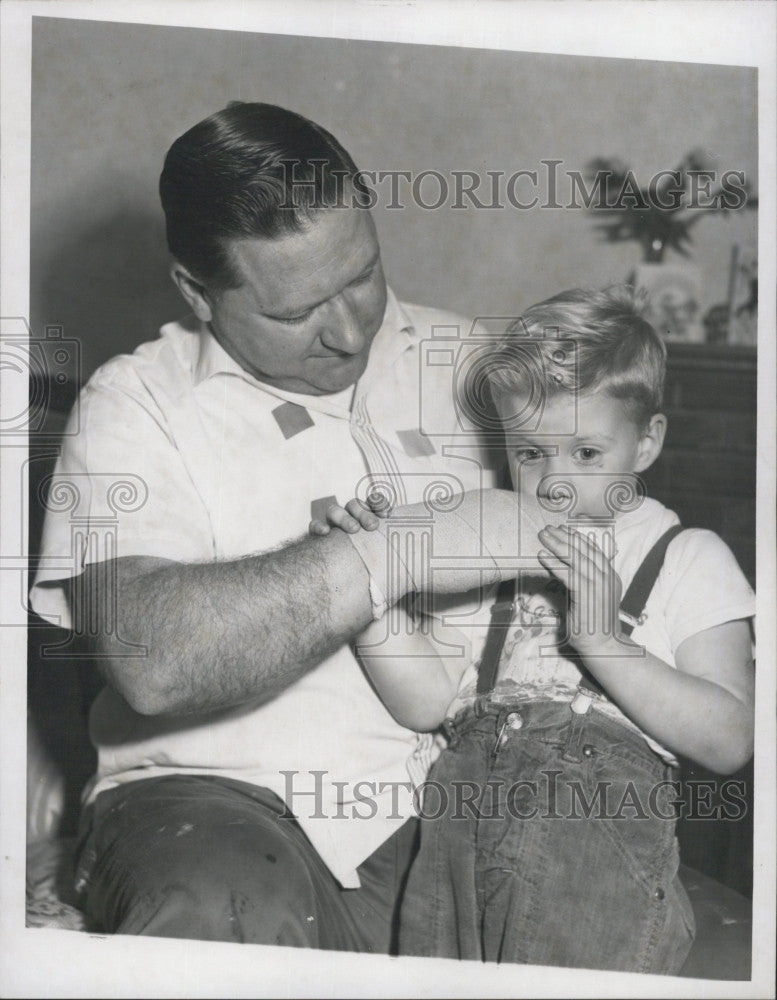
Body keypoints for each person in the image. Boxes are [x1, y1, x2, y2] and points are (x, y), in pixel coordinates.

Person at [29, 101, 529, 949]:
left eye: (361, 276)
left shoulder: (481, 364)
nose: (347, 331)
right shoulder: (135, 404)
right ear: (197, 290)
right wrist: (388, 553)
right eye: (297, 312)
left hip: (469, 800)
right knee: (221, 915)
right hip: (217, 800)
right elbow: (154, 659)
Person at [314, 286, 755, 972]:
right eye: (528, 453)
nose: (552, 484)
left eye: (584, 454)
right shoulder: (496, 566)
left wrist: (603, 640)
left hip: (591, 854)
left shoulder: (686, 556)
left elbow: (730, 739)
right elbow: (427, 701)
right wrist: (367, 591)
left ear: (645, 442)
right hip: (457, 845)